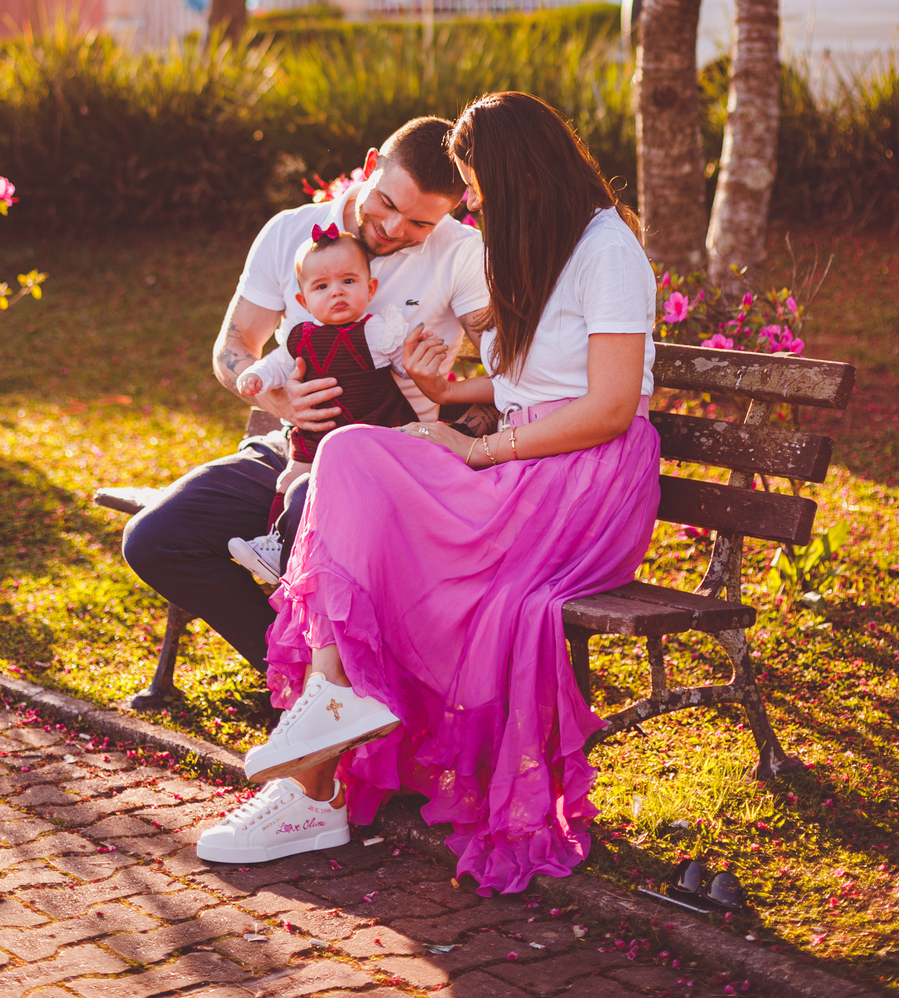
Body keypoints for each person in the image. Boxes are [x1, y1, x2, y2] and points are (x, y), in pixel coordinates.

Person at [196, 91, 661, 891]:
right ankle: (330, 711)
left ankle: (311, 788)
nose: (472, 205)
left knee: (386, 531)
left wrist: (478, 450)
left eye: (476, 187)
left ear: (519, 174)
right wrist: (447, 394)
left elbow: (612, 407)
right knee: (348, 455)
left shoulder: (608, 250)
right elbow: (534, 384)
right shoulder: (548, 242)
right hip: (529, 460)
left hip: (582, 482)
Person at [121, 116, 489, 676]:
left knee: (303, 515)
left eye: (419, 222)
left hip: (392, 463)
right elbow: (234, 345)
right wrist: (279, 403)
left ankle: (338, 690)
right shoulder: (288, 232)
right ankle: (296, 679)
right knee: (154, 539)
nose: (393, 228)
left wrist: (451, 404)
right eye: (386, 203)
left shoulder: (461, 253)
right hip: (295, 449)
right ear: (370, 166)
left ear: (452, 211)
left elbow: (508, 369)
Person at [228, 224, 415, 587]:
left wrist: (417, 363)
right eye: (322, 287)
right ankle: (277, 547)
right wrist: (256, 376)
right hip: (317, 435)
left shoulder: (377, 331)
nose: (337, 292)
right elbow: (276, 364)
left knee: (357, 492)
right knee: (290, 481)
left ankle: (348, 555)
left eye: (348, 281)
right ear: (304, 302)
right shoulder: (299, 337)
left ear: (370, 288)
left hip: (372, 431)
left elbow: (404, 366)